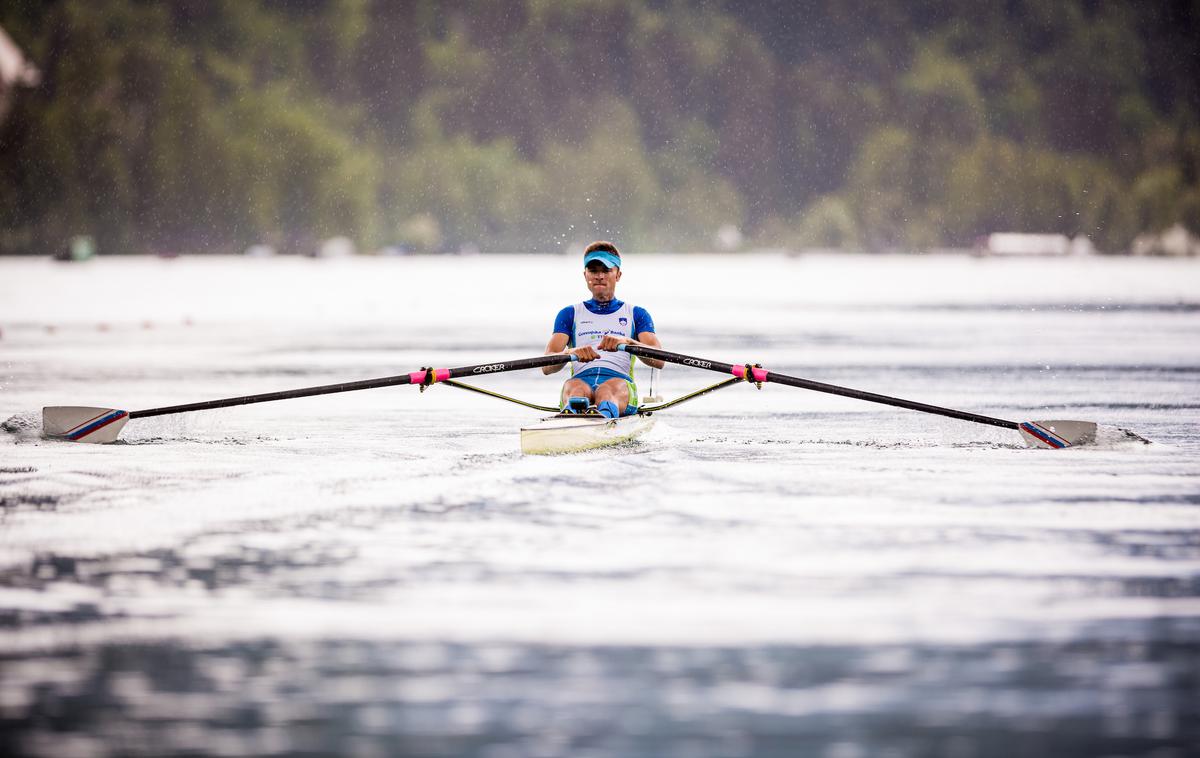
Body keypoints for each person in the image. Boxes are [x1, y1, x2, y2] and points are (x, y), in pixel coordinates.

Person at [543, 241, 664, 418]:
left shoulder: (636, 314)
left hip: (620, 384)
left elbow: (659, 360)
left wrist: (628, 342)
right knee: (575, 388)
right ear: (585, 275)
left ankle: (600, 415)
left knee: (606, 391)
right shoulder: (569, 314)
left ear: (618, 275)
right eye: (593, 271)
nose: (599, 276)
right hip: (581, 380)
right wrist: (571, 351)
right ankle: (576, 414)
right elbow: (547, 367)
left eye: (606, 270)